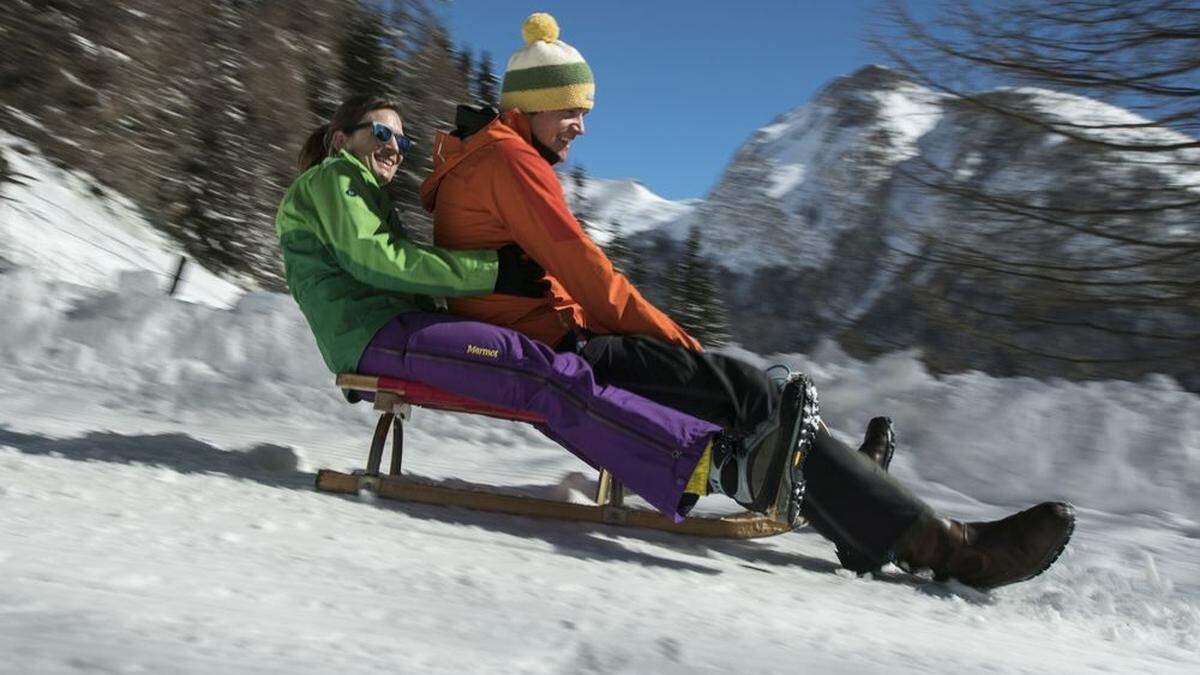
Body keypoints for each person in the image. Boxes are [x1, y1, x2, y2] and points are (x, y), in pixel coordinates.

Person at [420, 13, 1076, 590]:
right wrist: (672, 338)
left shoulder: (490, 157)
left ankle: (849, 493)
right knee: (750, 392)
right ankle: (951, 549)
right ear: (530, 107)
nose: (582, 126)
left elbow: (562, 276)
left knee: (753, 397)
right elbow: (585, 273)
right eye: (571, 110)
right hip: (555, 348)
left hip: (548, 334)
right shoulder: (511, 164)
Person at [275, 93, 766, 522]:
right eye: (382, 132)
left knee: (546, 373)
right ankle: (712, 465)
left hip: (396, 332)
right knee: (538, 374)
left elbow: (385, 266)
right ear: (340, 140)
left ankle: (674, 464)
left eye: (403, 141)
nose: (395, 148)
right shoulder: (334, 177)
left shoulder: (357, 193)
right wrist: (491, 272)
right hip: (377, 337)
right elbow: (378, 261)